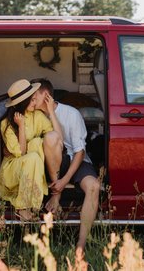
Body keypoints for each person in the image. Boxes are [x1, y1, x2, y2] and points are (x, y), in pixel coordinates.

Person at [31, 78, 101, 252]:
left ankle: (81, 245)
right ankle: (54, 200)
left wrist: (64, 182)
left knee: (94, 186)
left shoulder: (71, 113)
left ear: (46, 96)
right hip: (46, 163)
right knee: (50, 139)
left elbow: (80, 152)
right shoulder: (32, 114)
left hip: (74, 159)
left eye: (33, 97)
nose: (30, 101)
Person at [0, 79, 63, 221]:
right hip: (13, 168)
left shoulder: (37, 116)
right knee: (32, 156)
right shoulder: (6, 124)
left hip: (32, 167)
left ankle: (33, 204)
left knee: (37, 144)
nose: (35, 103)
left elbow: (56, 136)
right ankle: (23, 207)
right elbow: (20, 153)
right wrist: (21, 126)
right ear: (22, 103)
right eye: (31, 101)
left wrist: (51, 111)